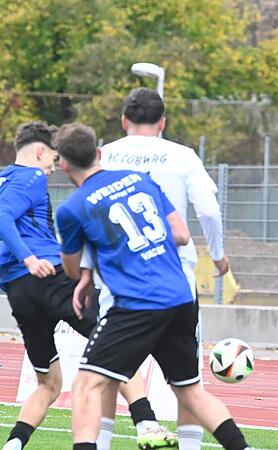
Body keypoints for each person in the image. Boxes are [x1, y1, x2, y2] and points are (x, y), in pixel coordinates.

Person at [52, 123, 251, 450]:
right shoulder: (141, 180)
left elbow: (72, 271)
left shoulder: (73, 209)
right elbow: (180, 233)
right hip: (180, 295)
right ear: (98, 153)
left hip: (137, 303)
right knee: (190, 391)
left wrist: (103, 253)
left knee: (87, 384)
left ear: (63, 165)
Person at [0, 122, 171, 450]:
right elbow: (3, 217)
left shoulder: (4, 179)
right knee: (115, 344)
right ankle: (147, 423)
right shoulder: (31, 176)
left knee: (49, 383)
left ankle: (14, 444)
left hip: (19, 293)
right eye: (52, 157)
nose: (52, 167)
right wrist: (29, 259)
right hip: (48, 276)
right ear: (39, 152)